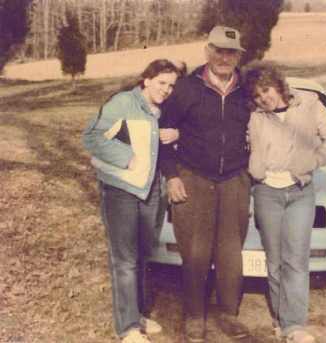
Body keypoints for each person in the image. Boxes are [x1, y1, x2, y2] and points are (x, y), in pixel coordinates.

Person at [159, 26, 251, 342]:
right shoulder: (186, 89)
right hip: (193, 177)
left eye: (231, 52)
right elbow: (163, 134)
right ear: (207, 51)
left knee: (230, 253)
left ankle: (228, 313)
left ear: (239, 55)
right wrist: (171, 175)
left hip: (235, 180)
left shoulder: (247, 89)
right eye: (219, 50)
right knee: (196, 253)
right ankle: (194, 316)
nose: (224, 57)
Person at [83, 59, 180, 343]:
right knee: (125, 260)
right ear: (146, 80)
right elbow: (91, 137)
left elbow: (167, 140)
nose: (166, 90)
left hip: (150, 192)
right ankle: (127, 329)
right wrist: (127, 159)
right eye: (162, 83)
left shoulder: (162, 109)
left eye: (171, 85)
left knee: (141, 255)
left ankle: (136, 316)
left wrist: (177, 133)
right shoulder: (123, 103)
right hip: (120, 191)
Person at [243, 62, 326, 343]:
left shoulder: (309, 104)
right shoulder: (255, 116)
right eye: (258, 95)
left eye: (266, 90)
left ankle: (294, 325)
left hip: (300, 192)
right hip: (266, 193)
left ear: (278, 85)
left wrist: (315, 160)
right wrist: (254, 169)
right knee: (274, 261)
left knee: (296, 260)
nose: (264, 98)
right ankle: (280, 320)